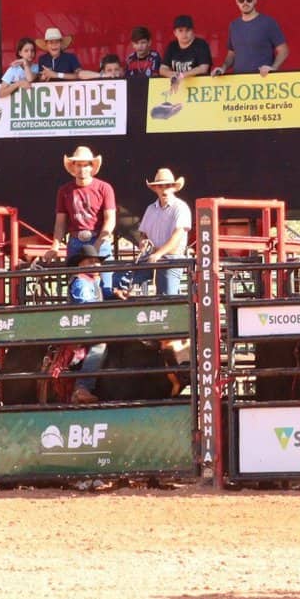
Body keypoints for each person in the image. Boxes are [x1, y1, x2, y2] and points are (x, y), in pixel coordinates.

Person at [54, 146, 117, 299]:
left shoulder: (104, 188)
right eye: (78, 165)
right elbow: (60, 222)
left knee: (106, 287)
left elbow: (110, 220)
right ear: (73, 167)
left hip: (99, 240)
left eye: (86, 165)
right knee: (78, 286)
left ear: (92, 167)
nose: (82, 169)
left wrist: (98, 244)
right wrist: (55, 246)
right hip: (76, 241)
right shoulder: (64, 191)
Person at [67, 243, 117, 405]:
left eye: (96, 261)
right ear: (80, 264)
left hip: (91, 323)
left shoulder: (92, 281)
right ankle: (82, 387)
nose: (95, 265)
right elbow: (85, 305)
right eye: (90, 261)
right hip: (81, 325)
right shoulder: (81, 281)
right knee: (99, 345)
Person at [131, 168, 191, 298]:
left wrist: (158, 254)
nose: (164, 190)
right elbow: (143, 234)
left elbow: (177, 236)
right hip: (152, 256)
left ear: (174, 188)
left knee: (167, 297)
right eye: (160, 186)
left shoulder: (181, 207)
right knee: (125, 280)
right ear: (156, 189)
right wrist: (143, 242)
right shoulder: (151, 209)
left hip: (171, 259)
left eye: (168, 186)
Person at [216, 0, 289, 76]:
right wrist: (223, 68)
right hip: (239, 82)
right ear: (236, 1)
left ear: (255, 0)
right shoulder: (234, 25)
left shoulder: (268, 22)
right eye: (241, 0)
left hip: (262, 81)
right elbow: (232, 53)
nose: (245, 2)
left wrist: (273, 68)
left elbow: (284, 50)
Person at [162, 15, 214, 86]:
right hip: (179, 88)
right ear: (175, 33)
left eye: (187, 30)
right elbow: (162, 68)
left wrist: (182, 75)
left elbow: (203, 68)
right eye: (180, 30)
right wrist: (171, 74)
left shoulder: (201, 44)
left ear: (193, 31)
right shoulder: (172, 46)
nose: (184, 34)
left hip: (199, 87)